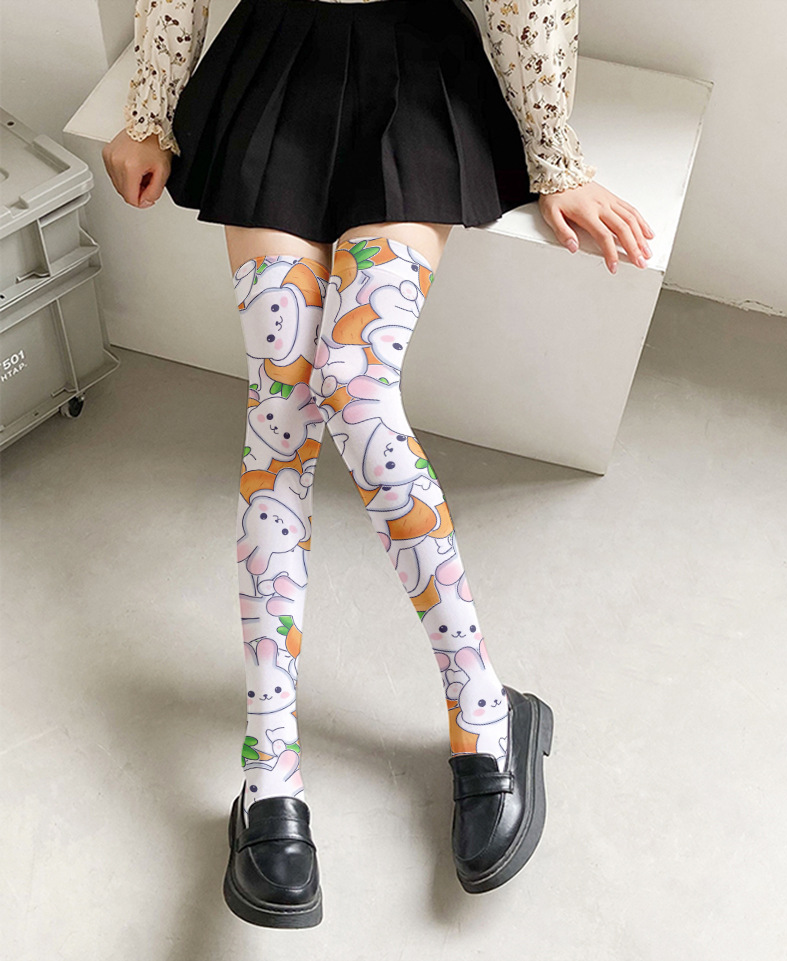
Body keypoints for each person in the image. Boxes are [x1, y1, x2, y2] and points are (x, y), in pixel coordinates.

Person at [103, 0, 654, 929]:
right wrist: (151, 108)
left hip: (417, 74)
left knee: (354, 391)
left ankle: (486, 708)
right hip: (277, 63)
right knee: (279, 408)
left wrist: (556, 157)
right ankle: (268, 768)